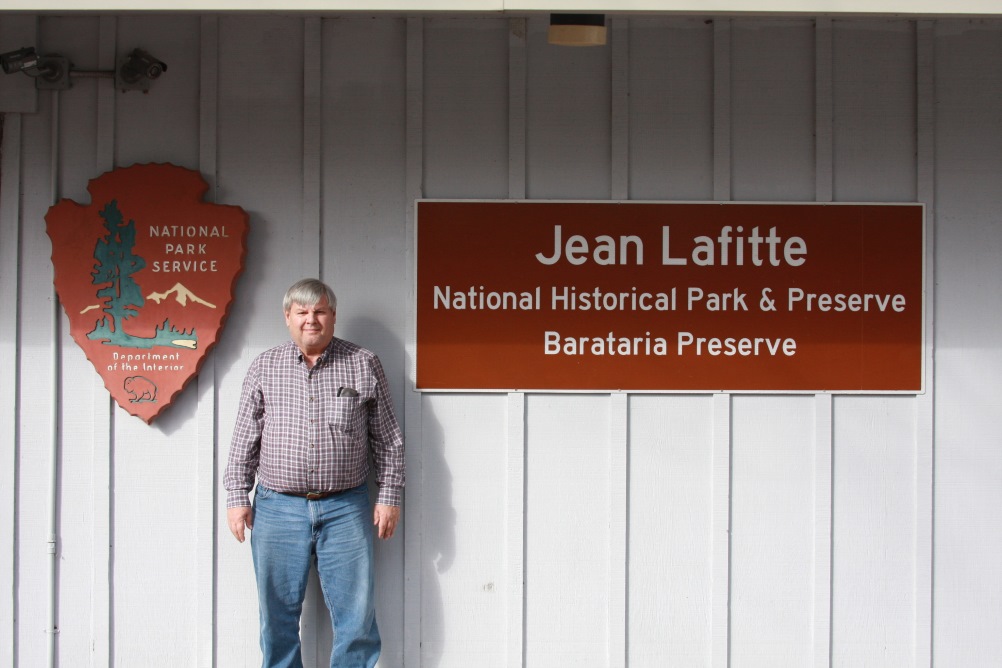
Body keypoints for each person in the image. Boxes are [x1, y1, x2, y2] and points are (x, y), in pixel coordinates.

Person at [224, 278, 405, 668]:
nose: (311, 320)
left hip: (345, 507)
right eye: (302, 312)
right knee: (277, 619)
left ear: (333, 317)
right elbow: (244, 438)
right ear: (287, 317)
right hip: (276, 509)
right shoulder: (265, 366)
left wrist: (389, 495)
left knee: (356, 617)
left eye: (320, 311)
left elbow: (388, 438)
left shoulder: (363, 363)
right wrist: (237, 497)